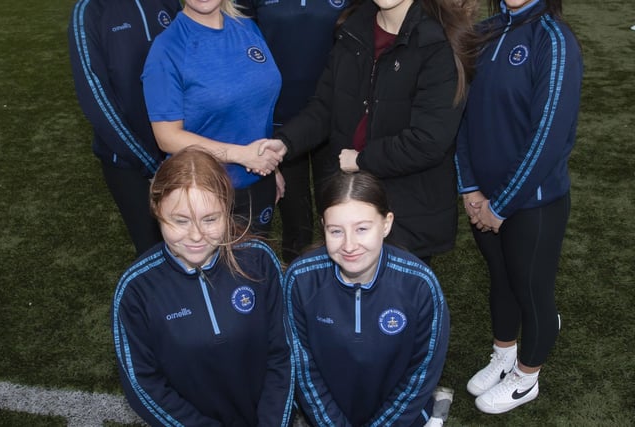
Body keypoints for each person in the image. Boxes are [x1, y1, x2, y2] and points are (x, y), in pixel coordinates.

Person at [259, 0, 476, 263]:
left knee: (395, 298)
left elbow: (428, 141)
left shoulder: (436, 41)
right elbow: (325, 107)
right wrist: (285, 143)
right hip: (352, 200)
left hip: (407, 208)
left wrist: (360, 160)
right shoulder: (353, 28)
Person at [454, 0, 583, 414]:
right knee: (501, 279)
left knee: (532, 290)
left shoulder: (554, 40)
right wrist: (471, 189)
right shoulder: (486, 30)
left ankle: (527, 378)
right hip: (483, 201)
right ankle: (505, 353)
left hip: (533, 204)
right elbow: (462, 112)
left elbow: (547, 134)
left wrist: (502, 204)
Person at [112, 146, 294, 425]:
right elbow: (144, 386)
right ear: (156, 209)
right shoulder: (136, 289)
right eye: (180, 220)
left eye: (210, 219)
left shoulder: (259, 260)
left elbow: (284, 353)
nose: (196, 235)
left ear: (227, 210)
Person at [284, 171, 450, 425]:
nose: (349, 245)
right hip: (326, 418)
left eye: (362, 229)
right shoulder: (300, 279)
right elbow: (302, 369)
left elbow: (422, 372)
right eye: (336, 231)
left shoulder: (420, 284)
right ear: (323, 227)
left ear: (386, 224)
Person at [141, 0, 284, 235]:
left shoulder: (248, 28)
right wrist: (242, 155)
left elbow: (255, 108)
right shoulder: (167, 49)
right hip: (204, 192)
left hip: (258, 179)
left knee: (254, 266)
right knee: (213, 270)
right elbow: (167, 137)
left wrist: (271, 167)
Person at [236, 0, 348, 263]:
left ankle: (337, 279)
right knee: (294, 218)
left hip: (334, 115)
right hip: (278, 122)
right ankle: (299, 280)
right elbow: (241, 48)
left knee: (338, 207)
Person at [68, 0, 181, 256]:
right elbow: (96, 97)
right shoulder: (90, 11)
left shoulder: (168, 2)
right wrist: (150, 164)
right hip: (131, 165)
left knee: (194, 240)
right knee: (154, 251)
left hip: (179, 150)